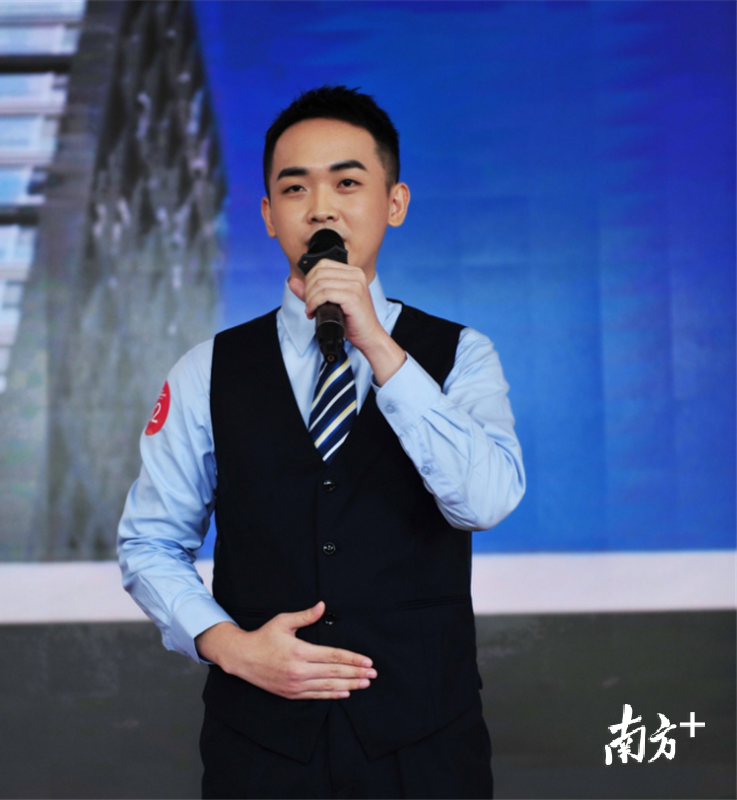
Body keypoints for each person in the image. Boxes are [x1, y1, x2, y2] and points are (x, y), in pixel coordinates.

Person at [118, 85, 525, 799]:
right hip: (262, 749)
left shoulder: (460, 355)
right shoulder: (207, 369)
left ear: (394, 202)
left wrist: (379, 346)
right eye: (295, 188)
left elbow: (484, 502)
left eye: (347, 182)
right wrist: (229, 646)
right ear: (268, 214)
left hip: (424, 744)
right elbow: (149, 542)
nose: (322, 209)